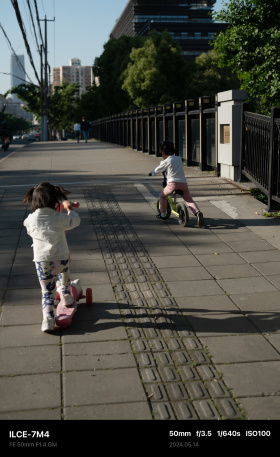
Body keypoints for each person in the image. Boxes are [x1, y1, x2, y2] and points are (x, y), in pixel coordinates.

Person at [22, 182, 81, 332]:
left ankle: (47, 321)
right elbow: (74, 221)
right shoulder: (58, 218)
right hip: (61, 258)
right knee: (64, 274)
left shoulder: (31, 219)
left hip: (42, 261)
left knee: (47, 292)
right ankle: (67, 296)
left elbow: (28, 228)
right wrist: (69, 209)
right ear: (54, 200)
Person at [149, 140, 205, 227]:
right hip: (183, 184)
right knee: (189, 200)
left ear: (163, 152)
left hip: (172, 184)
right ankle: (197, 212)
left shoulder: (166, 161)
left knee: (162, 196)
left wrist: (152, 173)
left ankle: (163, 214)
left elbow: (158, 170)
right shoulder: (178, 159)